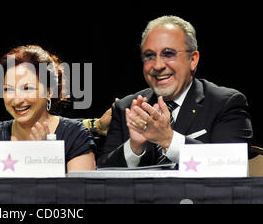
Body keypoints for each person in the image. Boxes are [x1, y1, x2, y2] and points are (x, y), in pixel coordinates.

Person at [98, 15, 253, 168]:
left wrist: (168, 139)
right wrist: (134, 148)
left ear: (193, 60)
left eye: (169, 54)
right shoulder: (127, 108)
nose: (158, 65)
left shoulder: (224, 103)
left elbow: (232, 165)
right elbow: (100, 181)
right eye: (149, 56)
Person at [0, 45, 96, 171]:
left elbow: (80, 190)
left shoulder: (75, 135)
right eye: (8, 89)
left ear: (49, 91)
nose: (17, 100)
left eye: (27, 88)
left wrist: (45, 158)